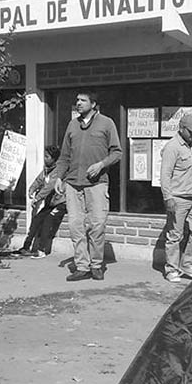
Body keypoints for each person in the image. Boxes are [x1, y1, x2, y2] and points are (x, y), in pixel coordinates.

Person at [54, 91, 121, 281]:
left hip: (97, 184)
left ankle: (96, 265)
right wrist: (59, 177)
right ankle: (82, 266)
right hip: (73, 183)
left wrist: (101, 165)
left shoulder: (106, 123)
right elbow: (64, 155)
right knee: (76, 226)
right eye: (77, 100)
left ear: (93, 104)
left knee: (97, 225)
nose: (78, 103)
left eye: (83, 100)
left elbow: (117, 153)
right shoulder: (72, 125)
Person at [160, 113, 192, 283]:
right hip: (177, 198)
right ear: (181, 129)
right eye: (191, 131)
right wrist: (168, 198)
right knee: (175, 235)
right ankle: (171, 269)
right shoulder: (172, 147)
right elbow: (165, 174)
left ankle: (187, 263)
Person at [18, 145, 67, 258]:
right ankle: (26, 247)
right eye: (44, 156)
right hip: (51, 203)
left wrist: (37, 198)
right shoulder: (46, 170)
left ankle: (42, 250)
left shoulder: (57, 171)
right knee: (37, 220)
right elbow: (39, 180)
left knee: (48, 221)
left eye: (47, 157)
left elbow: (49, 187)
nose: (45, 159)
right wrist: (31, 189)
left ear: (54, 159)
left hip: (60, 203)